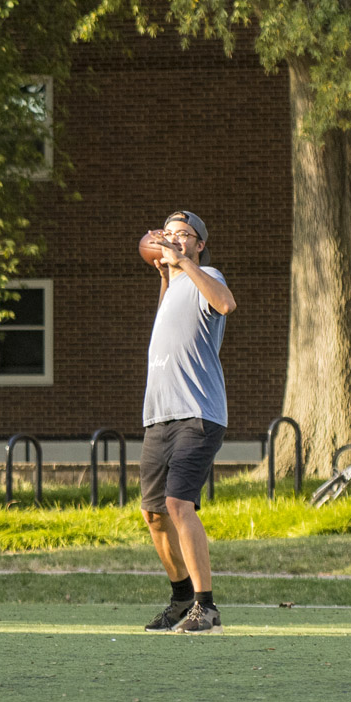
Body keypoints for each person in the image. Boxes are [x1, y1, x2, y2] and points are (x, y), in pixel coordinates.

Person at [138, 210, 236, 635]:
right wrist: (165, 272)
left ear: (198, 244)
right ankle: (180, 598)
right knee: (154, 514)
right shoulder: (175, 285)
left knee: (180, 505)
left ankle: (206, 607)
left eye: (184, 235)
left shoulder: (205, 274)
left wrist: (184, 263)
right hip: (158, 416)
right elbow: (166, 321)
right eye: (168, 234)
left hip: (198, 413)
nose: (174, 239)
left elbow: (226, 303)